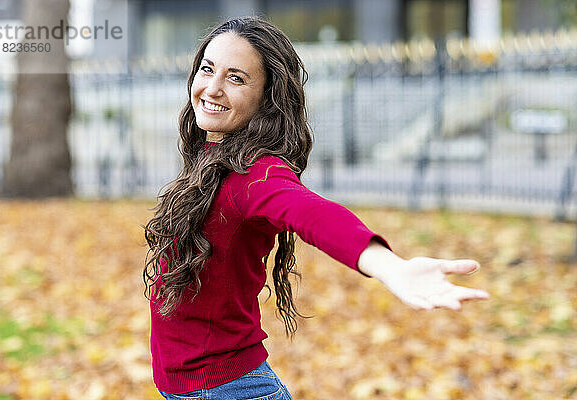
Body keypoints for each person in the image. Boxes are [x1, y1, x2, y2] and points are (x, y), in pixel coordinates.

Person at [143, 16, 489, 400]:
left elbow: (313, 214)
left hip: (228, 391)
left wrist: (391, 267)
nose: (213, 87)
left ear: (267, 97)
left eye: (236, 78)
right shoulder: (212, 159)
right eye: (208, 70)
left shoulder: (256, 175)